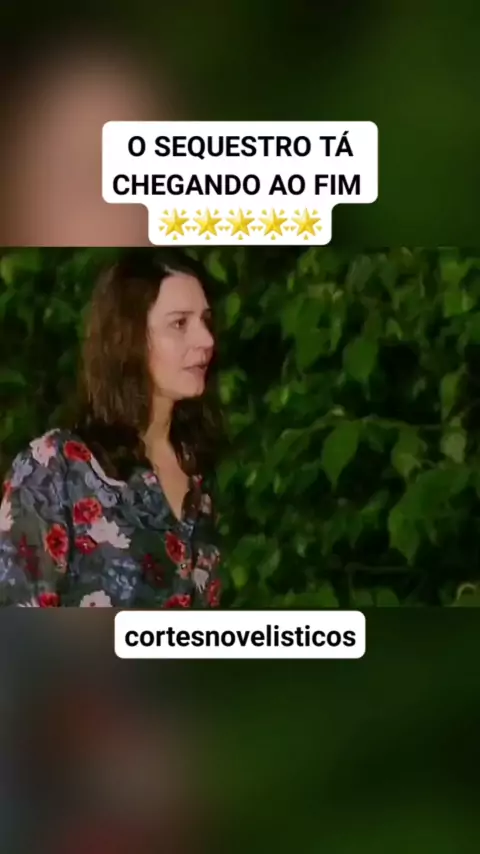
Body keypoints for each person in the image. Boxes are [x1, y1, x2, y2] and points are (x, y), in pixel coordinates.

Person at [0, 250, 223, 607]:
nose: (206, 340)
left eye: (205, 321)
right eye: (180, 323)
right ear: (128, 338)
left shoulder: (197, 474)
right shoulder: (55, 468)